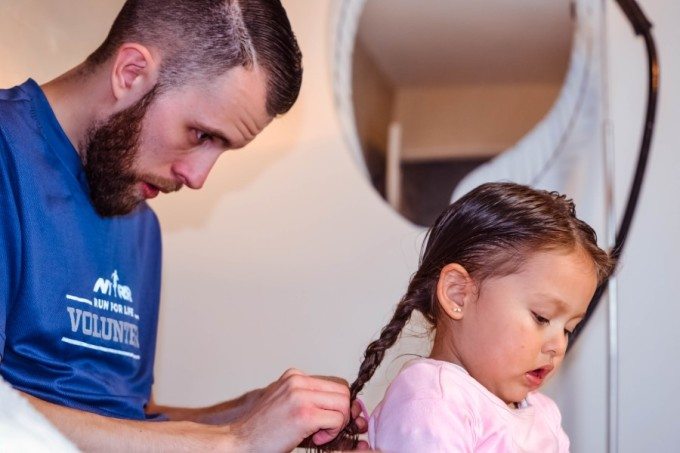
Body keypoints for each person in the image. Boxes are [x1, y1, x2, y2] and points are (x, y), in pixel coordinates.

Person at [0, 0, 366, 450]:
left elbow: (123, 420)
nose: (197, 178)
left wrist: (249, 413)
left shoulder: (138, 222)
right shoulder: (6, 155)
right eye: (201, 135)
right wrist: (232, 443)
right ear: (130, 73)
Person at [325, 182, 614, 451]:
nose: (558, 346)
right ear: (457, 294)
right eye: (541, 317)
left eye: (569, 329)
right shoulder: (433, 399)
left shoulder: (542, 412)